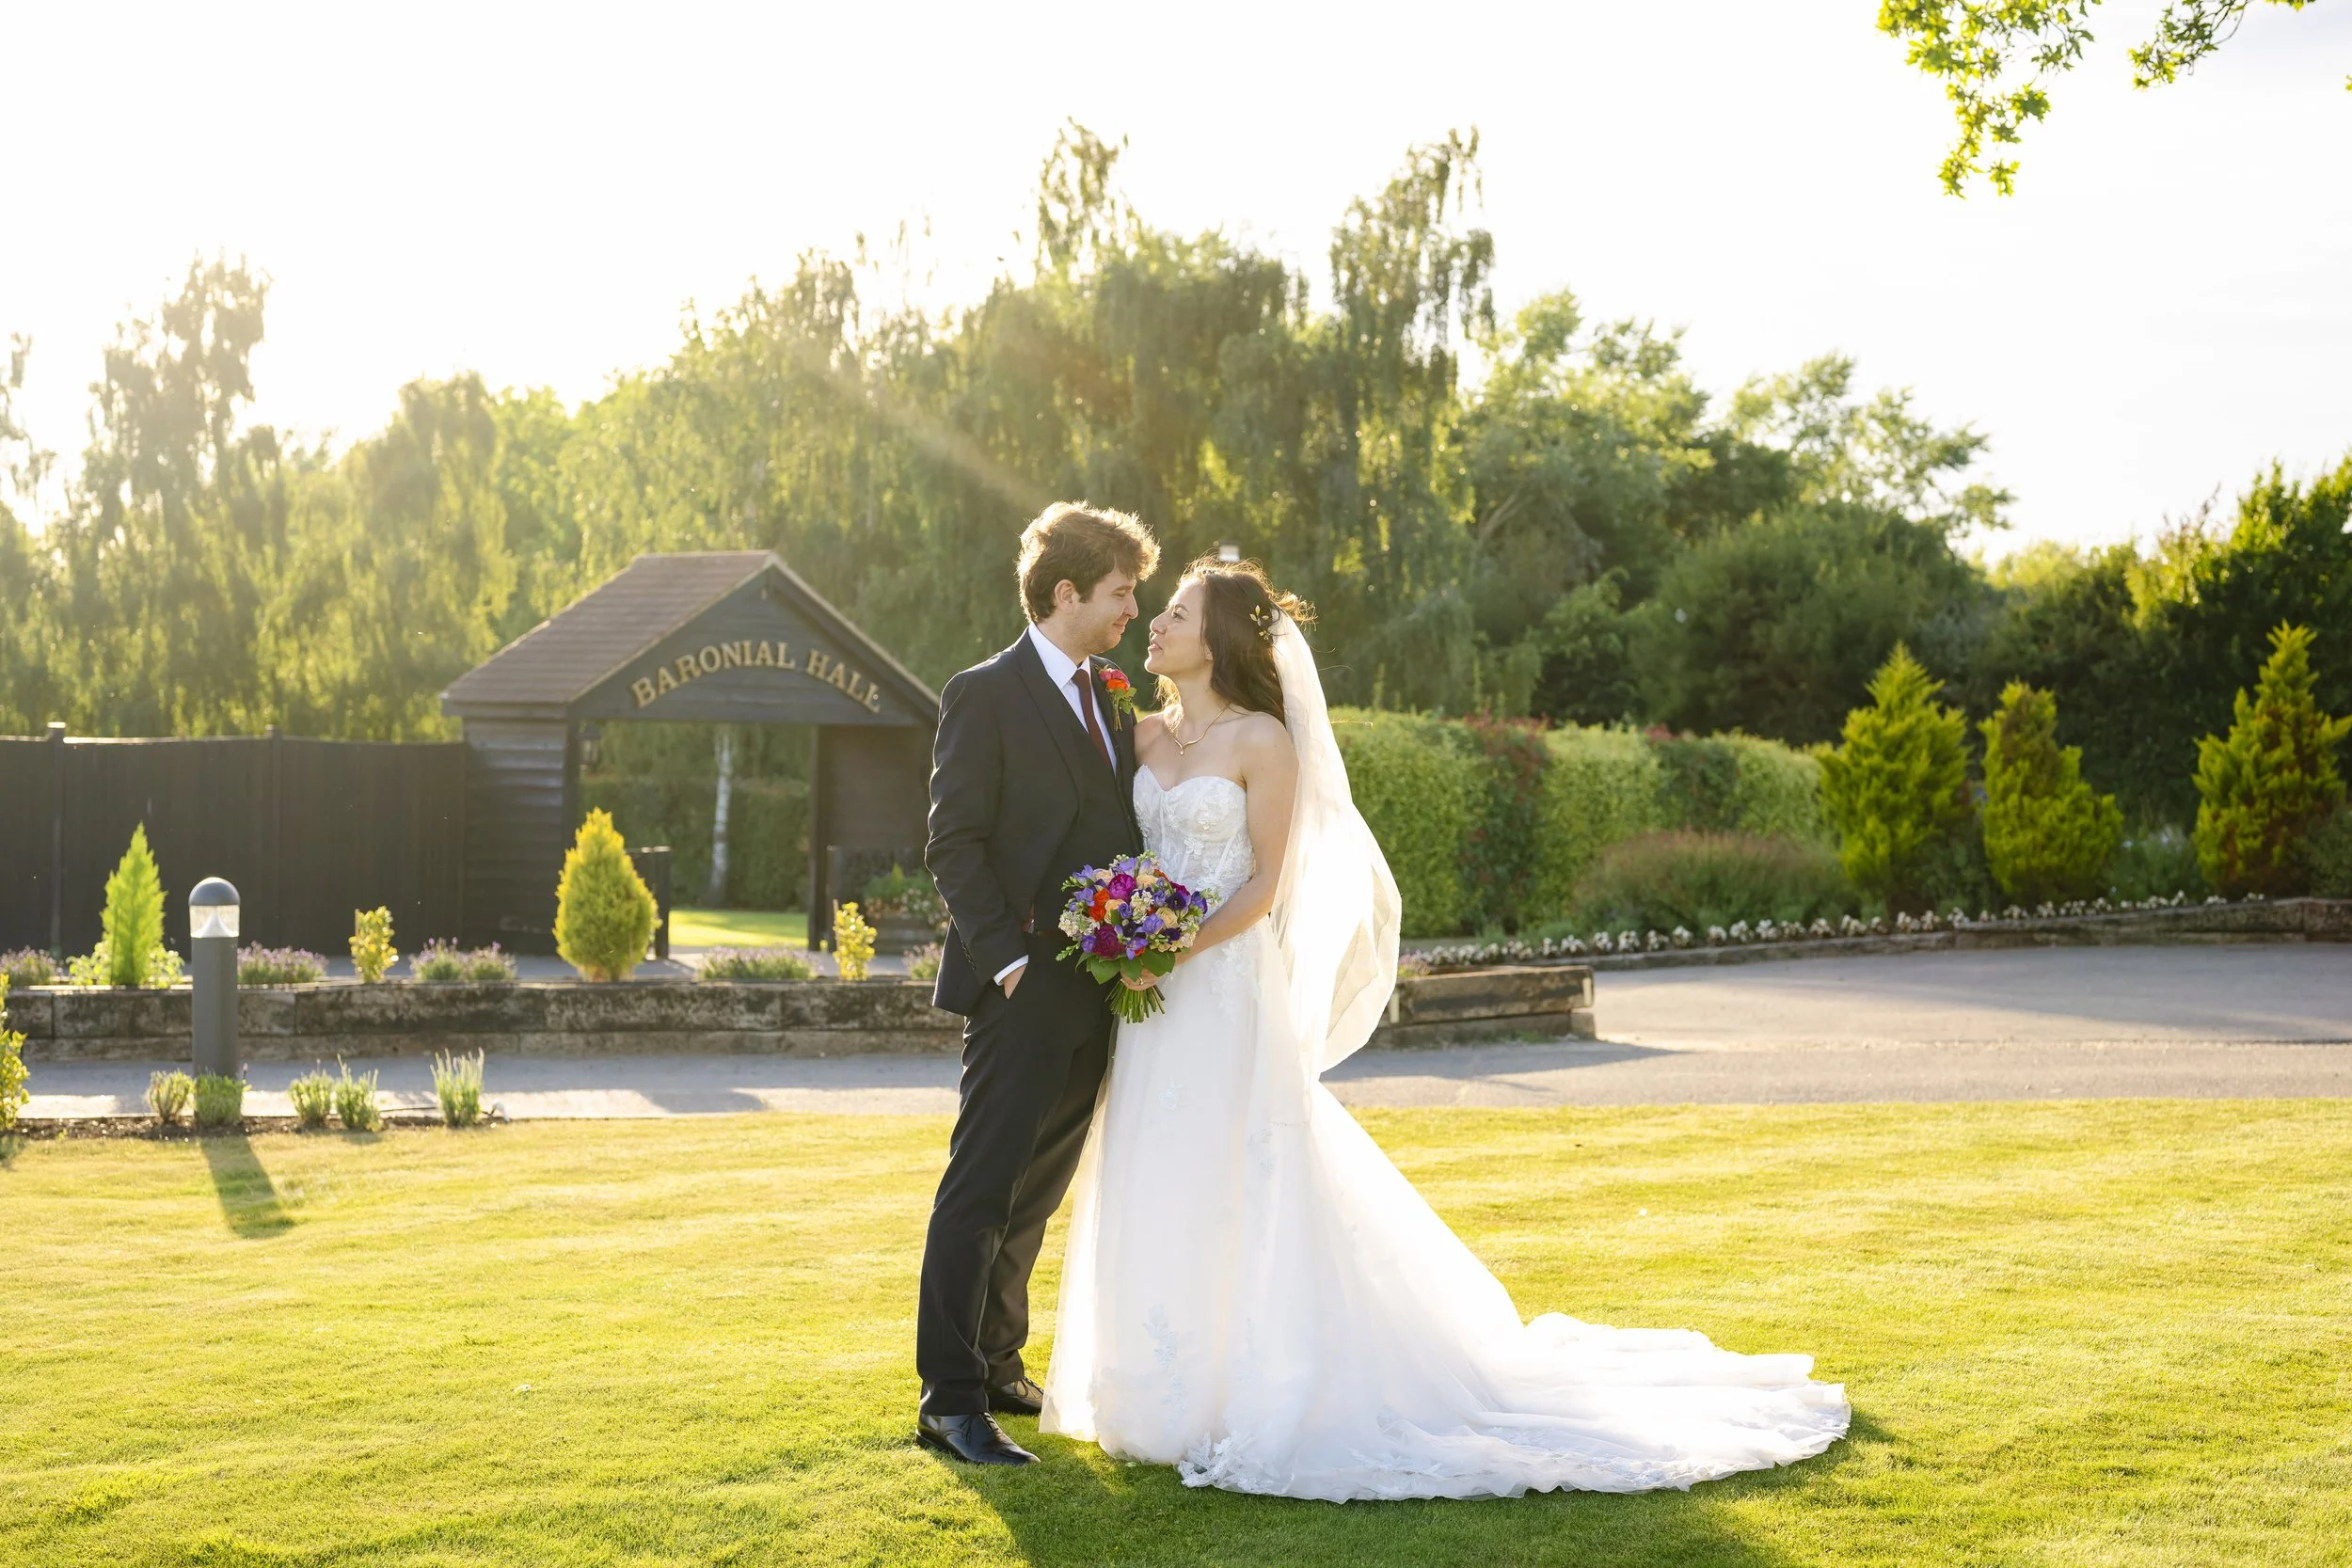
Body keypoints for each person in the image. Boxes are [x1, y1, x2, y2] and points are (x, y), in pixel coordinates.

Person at [1036, 556, 1851, 1500]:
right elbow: (1118, 850)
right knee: (1153, 1164)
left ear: (1217, 638)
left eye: (1175, 611)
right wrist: (1120, 924)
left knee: (1238, 1169)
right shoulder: (1140, 736)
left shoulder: (1265, 740)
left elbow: (1265, 886)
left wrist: (1171, 948)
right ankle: (1153, 1394)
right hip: (1151, 1004)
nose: (1157, 623)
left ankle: (1251, 1388)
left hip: (1218, 987)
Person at [915, 501, 1159, 1466]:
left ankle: (999, 1359)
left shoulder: (1110, 692)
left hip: (1098, 989)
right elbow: (953, 841)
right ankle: (949, 1395)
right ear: (1066, 592)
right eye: (1119, 592)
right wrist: (1005, 963)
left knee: (1036, 1192)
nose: (1130, 611)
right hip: (1018, 988)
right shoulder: (984, 693)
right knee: (979, 1188)